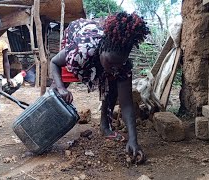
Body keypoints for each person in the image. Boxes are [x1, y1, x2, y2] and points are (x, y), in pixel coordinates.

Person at [50, 12, 150, 164]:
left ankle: (105, 126)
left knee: (113, 85)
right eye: (111, 63)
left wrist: (133, 140)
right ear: (102, 49)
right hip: (76, 33)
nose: (114, 69)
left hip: (96, 51)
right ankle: (48, 122)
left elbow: (127, 104)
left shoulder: (121, 65)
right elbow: (54, 63)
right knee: (62, 82)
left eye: (119, 64)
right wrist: (61, 89)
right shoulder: (81, 50)